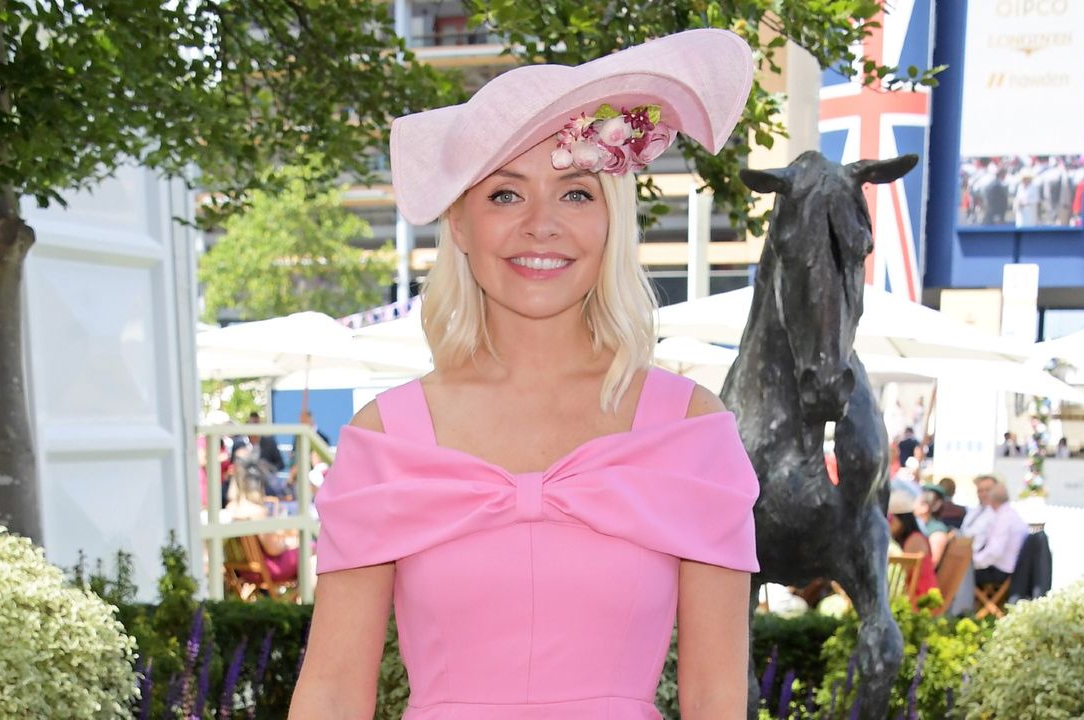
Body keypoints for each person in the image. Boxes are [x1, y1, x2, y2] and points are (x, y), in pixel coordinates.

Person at [288, 30, 761, 719]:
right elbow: (330, 691)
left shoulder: (692, 430)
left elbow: (718, 696)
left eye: (575, 194)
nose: (542, 225)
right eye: (506, 196)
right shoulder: (386, 439)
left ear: (611, 220)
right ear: (459, 221)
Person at [972, 483, 1029, 587]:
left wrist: (974, 561)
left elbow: (994, 551)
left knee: (961, 573)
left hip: (1002, 571)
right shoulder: (1011, 514)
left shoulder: (1004, 519)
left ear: (991, 500)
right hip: (1011, 569)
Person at [888, 490, 940, 601]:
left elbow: (899, 576)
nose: (887, 524)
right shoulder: (912, 538)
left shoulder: (914, 540)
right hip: (913, 594)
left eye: (890, 519)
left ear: (902, 519)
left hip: (919, 598)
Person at [914, 483, 952, 566]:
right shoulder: (922, 526)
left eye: (915, 501)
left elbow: (932, 562)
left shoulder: (937, 531)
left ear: (925, 507)